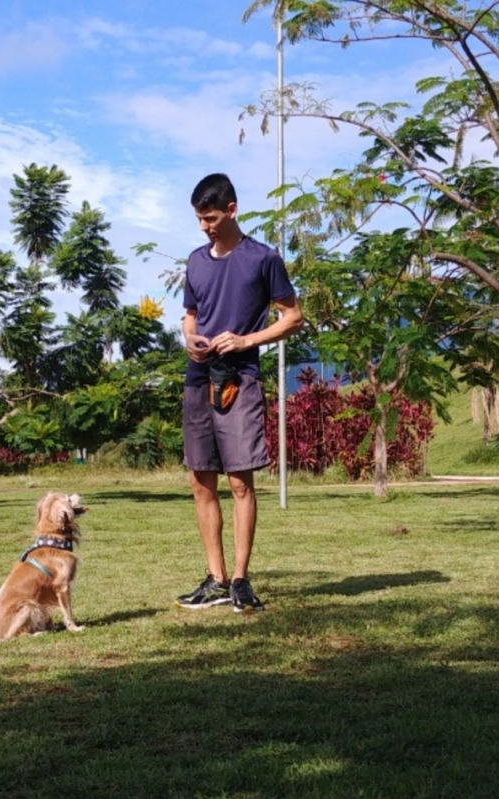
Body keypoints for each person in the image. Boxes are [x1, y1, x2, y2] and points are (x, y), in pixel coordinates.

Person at [176, 173, 303, 613]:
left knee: (239, 481)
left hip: (240, 379)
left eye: (210, 218)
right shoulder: (194, 261)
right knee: (200, 479)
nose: (205, 227)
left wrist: (246, 341)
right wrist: (189, 338)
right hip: (198, 379)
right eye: (199, 219)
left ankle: (241, 580)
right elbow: (189, 316)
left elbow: (293, 317)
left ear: (232, 209)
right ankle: (214, 578)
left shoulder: (263, 259)